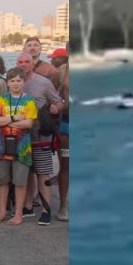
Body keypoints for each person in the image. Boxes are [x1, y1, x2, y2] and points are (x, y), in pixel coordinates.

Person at [17, 51, 65, 225]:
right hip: (21, 136)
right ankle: (28, 206)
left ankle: (46, 209)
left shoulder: (43, 83)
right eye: (20, 61)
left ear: (32, 64)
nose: (23, 64)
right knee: (26, 172)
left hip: (41, 135)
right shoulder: (15, 82)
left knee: (42, 172)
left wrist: (55, 109)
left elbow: (59, 101)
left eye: (26, 62)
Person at [0, 68, 37, 225]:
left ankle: (18, 214)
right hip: (1, 147)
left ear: (24, 82)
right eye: (12, 81)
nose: (16, 83)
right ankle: (3, 211)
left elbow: (28, 123)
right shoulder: (1, 100)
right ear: (7, 83)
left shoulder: (30, 101)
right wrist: (15, 116)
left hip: (22, 148)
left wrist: (5, 119)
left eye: (19, 80)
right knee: (2, 181)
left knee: (20, 182)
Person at [55, 61, 69, 222]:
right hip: (67, 122)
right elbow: (52, 95)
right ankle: (63, 204)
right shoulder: (61, 71)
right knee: (65, 166)